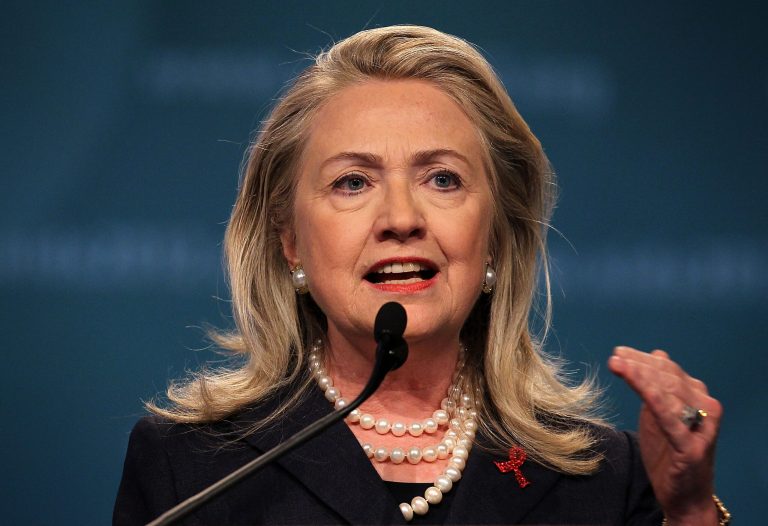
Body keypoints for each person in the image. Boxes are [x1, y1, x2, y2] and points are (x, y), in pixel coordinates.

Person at [114, 25, 727, 525]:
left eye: (442, 179)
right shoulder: (190, 467)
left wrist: (692, 513)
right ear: (290, 241)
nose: (401, 219)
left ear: (495, 234)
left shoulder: (603, 478)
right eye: (353, 182)